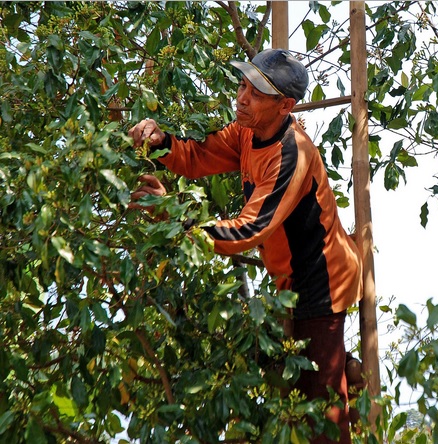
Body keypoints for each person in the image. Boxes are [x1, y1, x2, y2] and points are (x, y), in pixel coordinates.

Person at [128, 48, 362, 443]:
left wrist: (176, 224)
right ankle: (347, 372)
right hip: (288, 281)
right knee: (284, 373)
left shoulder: (292, 154)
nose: (241, 97)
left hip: (323, 283)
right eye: (242, 85)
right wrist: (159, 141)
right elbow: (199, 155)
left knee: (321, 416)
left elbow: (248, 230)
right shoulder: (247, 132)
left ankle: (344, 378)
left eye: (254, 92)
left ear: (284, 105)